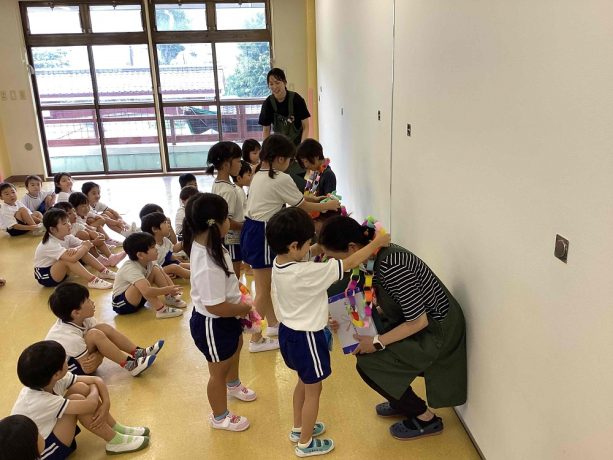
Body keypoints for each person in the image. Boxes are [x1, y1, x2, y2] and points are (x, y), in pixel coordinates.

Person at [319, 216, 467, 440]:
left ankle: (425, 418)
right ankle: (400, 400)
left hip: (438, 333)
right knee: (365, 347)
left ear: (352, 248)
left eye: (335, 258)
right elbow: (393, 304)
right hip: (420, 322)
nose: (334, 264)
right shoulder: (374, 257)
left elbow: (418, 321)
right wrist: (346, 319)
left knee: (369, 364)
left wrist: (376, 342)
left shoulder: (392, 265)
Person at [267, 207, 390, 457]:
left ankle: (299, 428)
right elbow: (350, 263)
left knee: (303, 382)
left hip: (289, 333)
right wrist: (377, 242)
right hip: (308, 338)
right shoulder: (306, 272)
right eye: (308, 242)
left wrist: (317, 246)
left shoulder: (280, 263)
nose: (312, 246)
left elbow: (309, 253)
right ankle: (305, 443)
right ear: (293, 246)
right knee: (314, 390)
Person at [240, 135, 341, 353]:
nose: (290, 164)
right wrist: (329, 205)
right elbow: (301, 205)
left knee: (264, 285)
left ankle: (273, 324)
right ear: (279, 159)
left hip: (252, 229)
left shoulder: (260, 173)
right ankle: (255, 338)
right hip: (263, 232)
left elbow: (298, 198)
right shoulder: (280, 178)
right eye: (289, 160)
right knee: (263, 290)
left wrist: (319, 200)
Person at [182, 193, 256, 432]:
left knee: (236, 346)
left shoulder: (210, 244)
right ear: (215, 224)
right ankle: (219, 416)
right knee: (218, 371)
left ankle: (233, 384)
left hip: (226, 316)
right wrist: (244, 308)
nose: (230, 223)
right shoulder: (207, 262)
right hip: (213, 323)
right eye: (227, 218)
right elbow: (215, 306)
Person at [11, 340, 150, 457]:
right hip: (44, 452)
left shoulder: (49, 380)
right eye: (64, 360)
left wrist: (106, 403)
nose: (67, 361)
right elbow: (90, 403)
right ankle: (115, 441)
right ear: (56, 374)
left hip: (48, 431)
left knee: (81, 388)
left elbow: (96, 380)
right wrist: (94, 391)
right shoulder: (38, 400)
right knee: (78, 398)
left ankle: (116, 428)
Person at [46, 282, 160, 376]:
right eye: (88, 301)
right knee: (95, 334)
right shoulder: (69, 337)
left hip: (79, 358)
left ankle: (138, 352)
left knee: (102, 328)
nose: (92, 302)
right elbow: (88, 368)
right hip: (69, 370)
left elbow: (103, 341)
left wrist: (100, 352)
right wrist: (101, 353)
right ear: (76, 313)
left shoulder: (82, 319)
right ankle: (131, 365)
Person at [33, 209, 114, 289]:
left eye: (68, 221)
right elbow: (77, 254)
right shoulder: (49, 243)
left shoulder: (67, 236)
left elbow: (83, 244)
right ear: (52, 229)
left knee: (80, 252)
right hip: (46, 276)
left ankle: (104, 271)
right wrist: (83, 247)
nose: (69, 225)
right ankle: (93, 280)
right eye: (64, 223)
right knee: (69, 259)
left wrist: (78, 248)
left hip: (60, 271)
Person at [111, 232, 185, 318]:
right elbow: (147, 291)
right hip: (122, 305)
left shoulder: (149, 261)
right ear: (140, 255)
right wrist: (167, 290)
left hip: (139, 298)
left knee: (155, 269)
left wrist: (172, 291)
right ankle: (161, 310)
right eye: (153, 247)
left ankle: (169, 298)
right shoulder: (130, 268)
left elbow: (163, 274)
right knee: (140, 285)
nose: (156, 249)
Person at [258, 68, 310, 190]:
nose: (274, 87)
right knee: (280, 183)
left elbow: (306, 127)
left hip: (296, 147)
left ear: (285, 82)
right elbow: (266, 131)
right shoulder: (268, 104)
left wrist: (301, 149)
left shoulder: (296, 99)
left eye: (277, 82)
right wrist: (265, 152)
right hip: (279, 149)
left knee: (297, 184)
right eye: (271, 84)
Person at [207, 141, 245, 277]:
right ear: (226, 164)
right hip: (231, 238)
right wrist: (246, 226)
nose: (241, 164)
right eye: (238, 161)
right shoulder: (227, 190)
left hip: (229, 237)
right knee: (234, 274)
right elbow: (226, 220)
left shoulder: (219, 184)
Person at [53, 202, 126, 267]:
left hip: (84, 248)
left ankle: (111, 257)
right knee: (82, 234)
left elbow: (90, 231)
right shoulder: (62, 232)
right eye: (69, 213)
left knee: (93, 234)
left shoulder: (76, 225)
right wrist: (94, 242)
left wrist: (99, 235)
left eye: (74, 211)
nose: (74, 214)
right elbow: (75, 247)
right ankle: (99, 259)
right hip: (76, 256)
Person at [141, 211, 190, 279]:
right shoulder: (151, 247)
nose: (168, 225)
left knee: (182, 265)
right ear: (155, 229)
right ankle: (195, 275)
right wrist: (162, 273)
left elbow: (173, 249)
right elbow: (152, 268)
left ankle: (198, 269)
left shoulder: (165, 240)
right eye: (165, 222)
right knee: (175, 267)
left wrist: (186, 241)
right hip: (153, 271)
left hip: (163, 265)